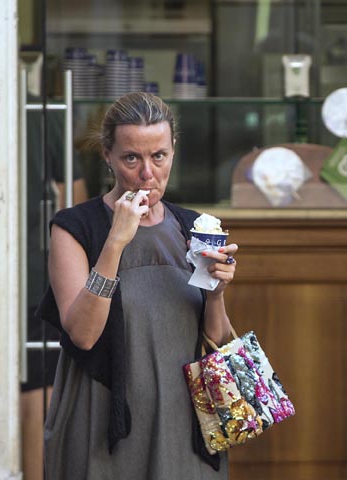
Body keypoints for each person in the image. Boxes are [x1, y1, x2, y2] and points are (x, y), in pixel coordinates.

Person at [37, 92, 236, 479]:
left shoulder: (193, 226)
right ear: (107, 156)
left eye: (159, 156)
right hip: (103, 423)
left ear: (173, 151)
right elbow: (82, 334)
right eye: (132, 158)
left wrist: (217, 294)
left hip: (186, 423)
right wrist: (115, 243)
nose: (148, 173)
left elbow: (216, 341)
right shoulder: (75, 227)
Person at [21, 97, 88, 480]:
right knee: (34, 388)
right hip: (35, 271)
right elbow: (74, 202)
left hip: (12, 274)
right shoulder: (43, 112)